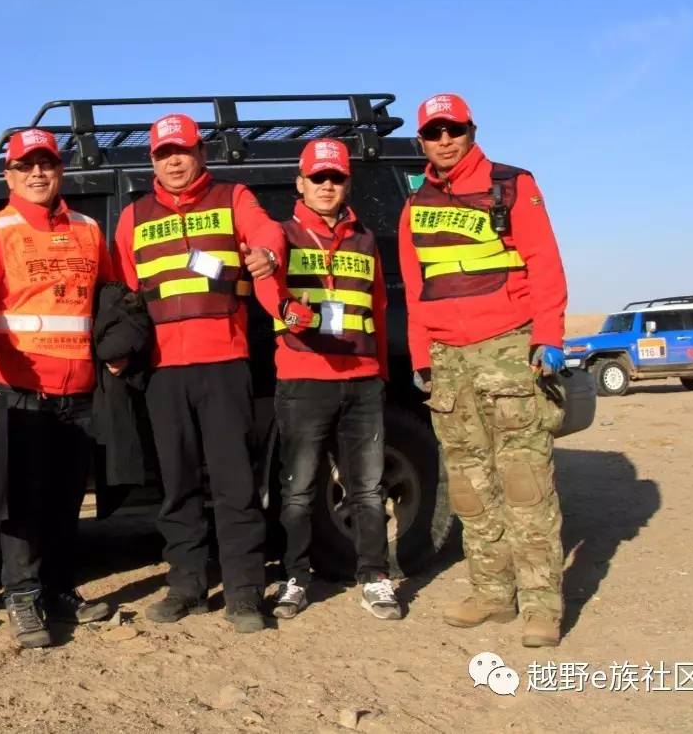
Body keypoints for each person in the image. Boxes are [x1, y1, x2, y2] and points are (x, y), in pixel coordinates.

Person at [397, 93, 568, 648]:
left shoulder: (512, 184)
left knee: (524, 479)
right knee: (470, 485)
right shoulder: (414, 204)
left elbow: (545, 262)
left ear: (471, 130)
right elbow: (415, 285)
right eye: (434, 132)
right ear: (421, 140)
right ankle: (492, 593)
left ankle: (542, 603)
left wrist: (549, 335)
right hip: (448, 361)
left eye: (454, 129)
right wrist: (421, 354)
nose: (444, 140)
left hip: (507, 347)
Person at [111, 113, 283, 633]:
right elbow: (123, 290)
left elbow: (266, 231)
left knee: (234, 484)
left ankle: (245, 592)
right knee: (177, 485)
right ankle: (186, 585)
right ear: (153, 161)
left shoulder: (234, 198)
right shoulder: (133, 215)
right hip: (163, 371)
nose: (175, 161)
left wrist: (269, 254)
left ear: (200, 153)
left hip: (224, 364)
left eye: (182, 150)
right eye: (164, 154)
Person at [0, 127, 114, 648]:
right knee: (22, 503)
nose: (37, 173)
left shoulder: (88, 229)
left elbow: (107, 298)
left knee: (66, 501)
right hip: (20, 389)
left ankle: (61, 590)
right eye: (26, 166)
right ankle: (20, 596)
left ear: (60, 171)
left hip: (79, 390)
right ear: (9, 175)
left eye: (46, 164)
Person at [258, 139, 401, 620]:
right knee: (298, 489)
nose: (325, 185)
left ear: (346, 184)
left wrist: (379, 371)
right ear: (299, 183)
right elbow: (266, 273)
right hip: (303, 381)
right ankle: (297, 577)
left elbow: (378, 308)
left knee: (367, 489)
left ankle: (376, 577)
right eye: (316, 177)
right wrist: (283, 306)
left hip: (362, 381)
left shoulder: (364, 238)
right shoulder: (283, 233)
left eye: (335, 177)